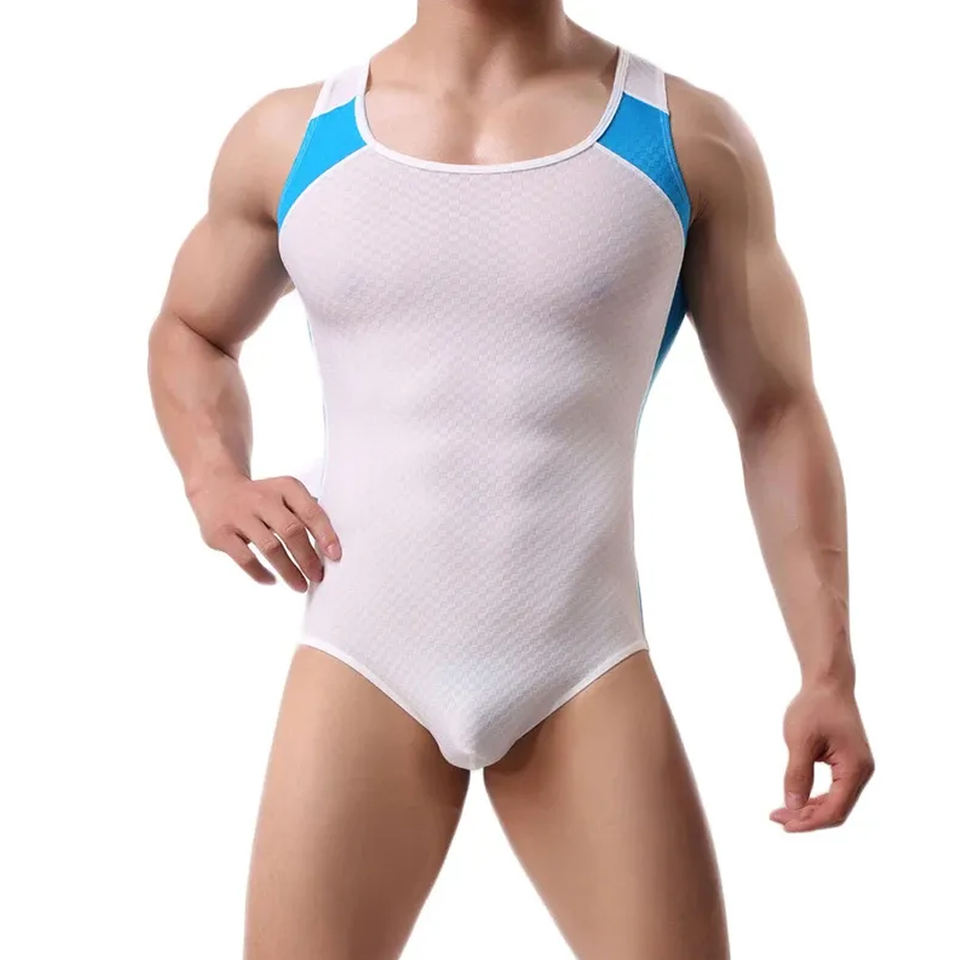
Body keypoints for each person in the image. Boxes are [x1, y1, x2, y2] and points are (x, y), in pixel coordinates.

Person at [147, 2, 874, 957]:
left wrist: (827, 670)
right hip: (362, 656)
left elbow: (775, 409)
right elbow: (192, 330)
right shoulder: (291, 141)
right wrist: (213, 479)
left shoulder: (685, 142)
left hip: (583, 669)